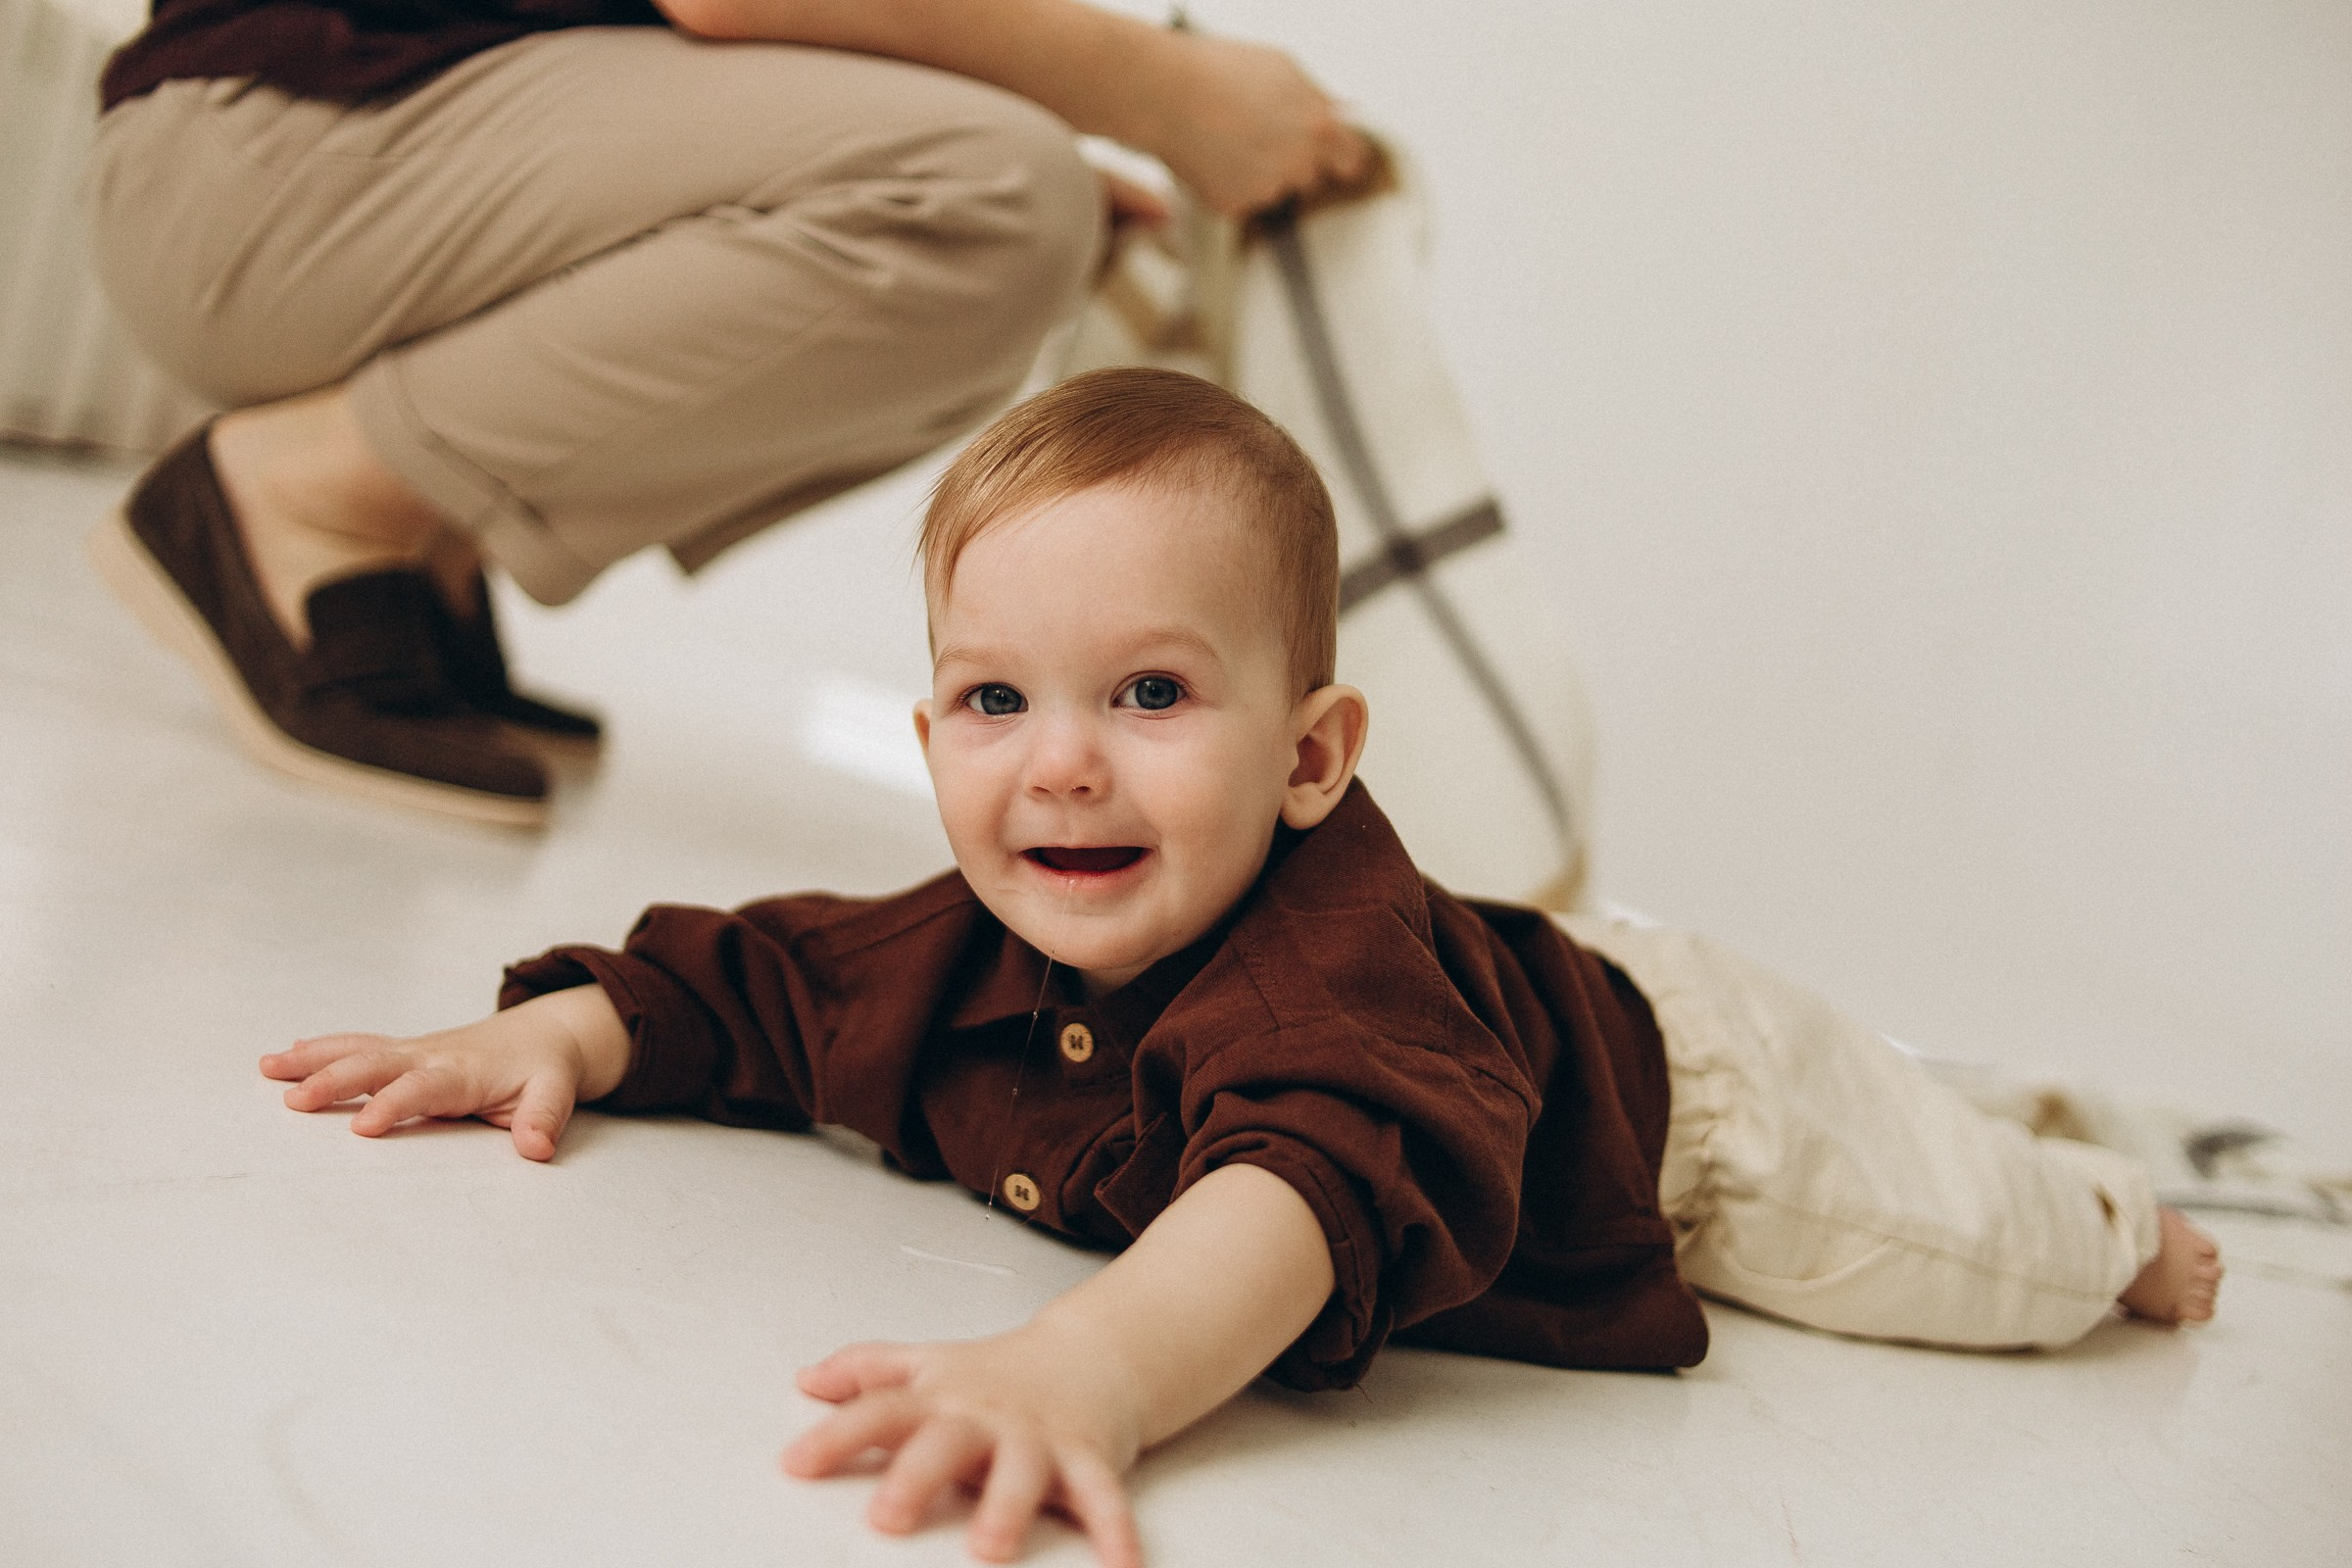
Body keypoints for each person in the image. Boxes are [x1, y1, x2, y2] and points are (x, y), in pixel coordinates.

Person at [258, 369, 2222, 1566]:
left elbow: (1294, 1182)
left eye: (1152, 691)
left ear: (1309, 755)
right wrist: (563, 1029)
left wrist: (1091, 1366)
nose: (1065, 757)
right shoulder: (969, 931)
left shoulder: (1320, 990)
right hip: (1533, 987)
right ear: (933, 735)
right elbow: (765, 979)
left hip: (1698, 1103)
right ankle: (2004, 1108)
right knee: (1931, 1122)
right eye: (994, 697)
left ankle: (2107, 1206)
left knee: (1956, 1234)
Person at [83, 0, 1373, 824]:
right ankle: (307, 495)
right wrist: (1159, 91)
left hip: (330, 136)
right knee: (985, 195)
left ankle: (419, 539)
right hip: (269, 145)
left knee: (1007, 210)